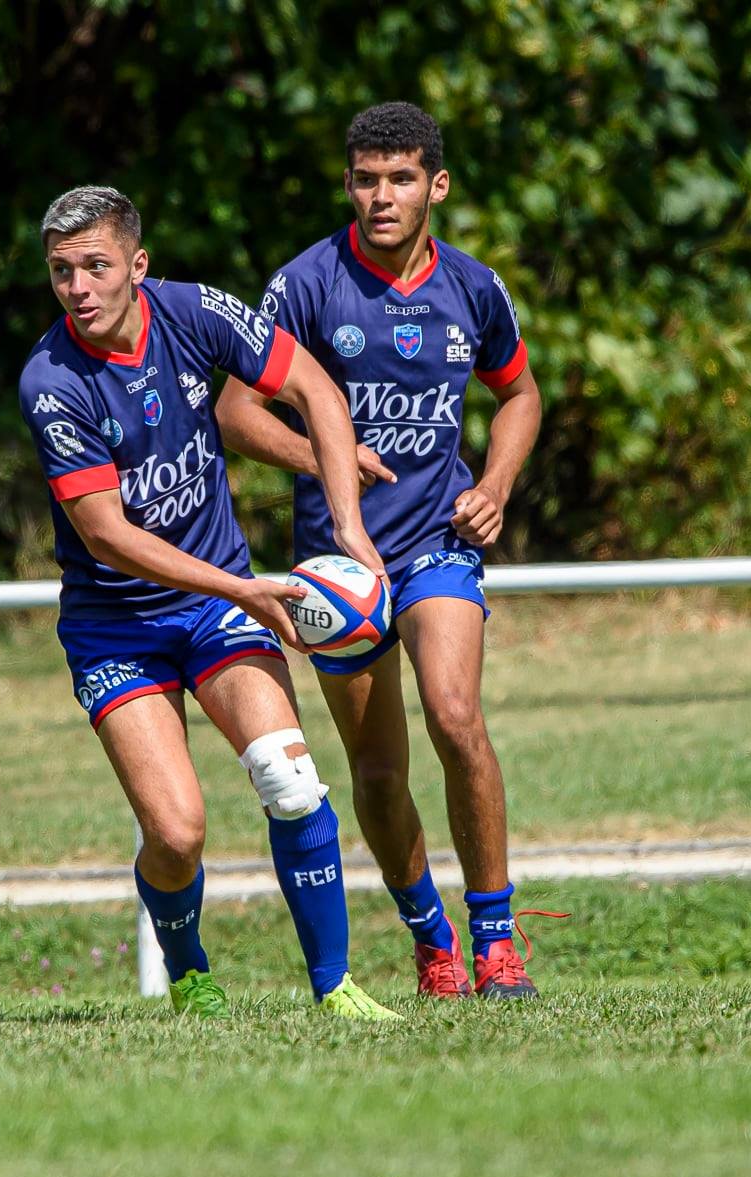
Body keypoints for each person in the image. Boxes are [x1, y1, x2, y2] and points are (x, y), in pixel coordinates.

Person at [19, 184, 399, 1020]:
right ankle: (189, 969)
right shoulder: (52, 381)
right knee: (179, 832)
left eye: (95, 267)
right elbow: (107, 535)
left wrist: (349, 531)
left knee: (288, 777)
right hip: (117, 626)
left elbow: (315, 392)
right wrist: (246, 587)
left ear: (137, 266)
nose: (78, 288)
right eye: (61, 272)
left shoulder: (193, 313)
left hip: (214, 605)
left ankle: (335, 987)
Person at [216, 103, 543, 998]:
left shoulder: (474, 287)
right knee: (376, 768)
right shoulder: (307, 285)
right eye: (365, 179)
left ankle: (497, 939)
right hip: (337, 570)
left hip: (437, 541)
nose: (381, 196)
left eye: (401, 178)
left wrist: (497, 488)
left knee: (455, 714)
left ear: (435, 185)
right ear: (348, 184)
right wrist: (328, 458)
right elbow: (237, 411)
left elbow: (520, 394)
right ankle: (429, 936)